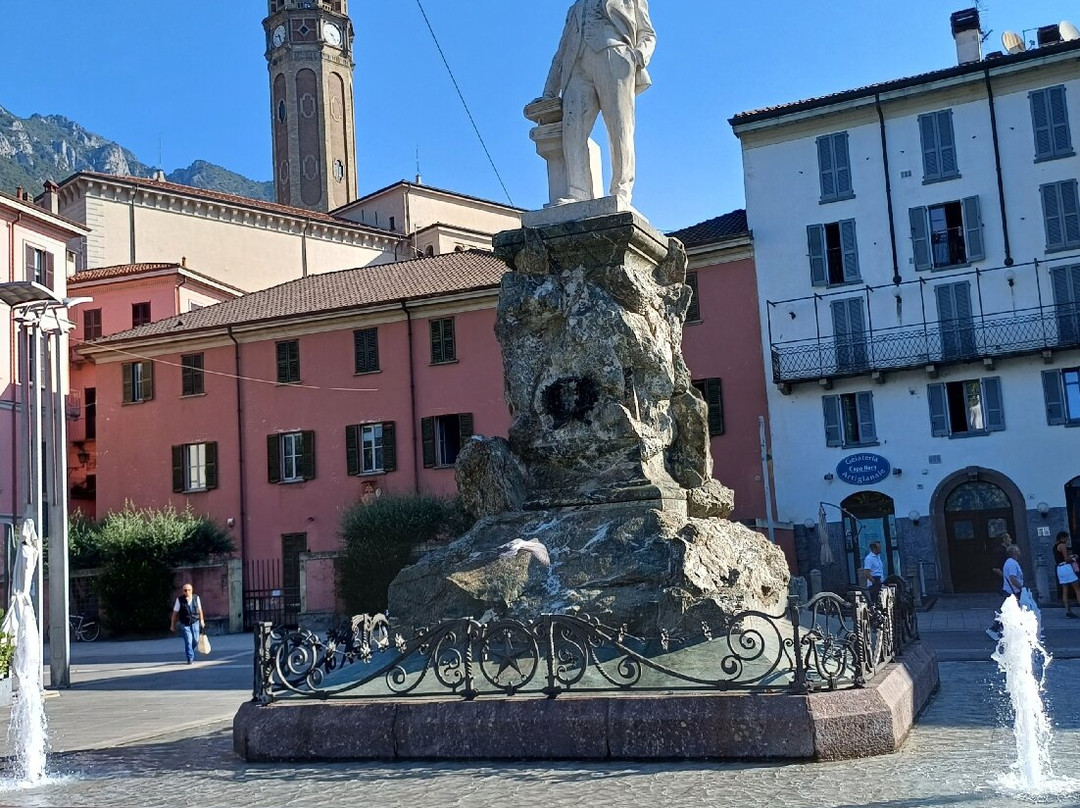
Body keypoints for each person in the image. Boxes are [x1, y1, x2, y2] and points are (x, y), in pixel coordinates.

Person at [541, 0, 656, 205]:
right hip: (576, 65)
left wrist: (638, 56)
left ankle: (621, 189)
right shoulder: (575, 8)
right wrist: (549, 91)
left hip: (614, 55)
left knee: (620, 126)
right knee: (573, 128)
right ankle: (578, 191)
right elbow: (561, 51)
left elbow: (647, 33)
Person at [987, 545, 1024, 642]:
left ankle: (1004, 629)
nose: (1020, 553)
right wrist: (1021, 588)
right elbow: (1012, 578)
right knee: (1007, 613)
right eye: (1018, 551)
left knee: (1009, 612)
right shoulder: (1012, 563)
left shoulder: (1010, 562)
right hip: (1012, 592)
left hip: (1010, 591)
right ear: (1014, 553)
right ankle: (994, 629)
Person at [170, 583, 205, 664]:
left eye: (189, 590)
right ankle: (190, 657)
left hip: (195, 622)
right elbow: (175, 613)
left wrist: (202, 620)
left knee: (196, 640)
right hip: (185, 623)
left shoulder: (196, 598)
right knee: (188, 640)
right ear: (183, 591)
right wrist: (172, 625)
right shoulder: (179, 600)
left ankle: (190, 650)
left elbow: (200, 610)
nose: (187, 592)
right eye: (185, 590)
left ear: (192, 590)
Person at [1053, 531, 1080, 618]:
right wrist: (1073, 557)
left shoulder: (1054, 546)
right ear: (1062, 538)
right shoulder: (1062, 545)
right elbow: (1066, 559)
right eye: (1066, 538)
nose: (1067, 540)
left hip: (1059, 569)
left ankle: (1068, 611)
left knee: (1065, 590)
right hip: (1066, 567)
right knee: (1077, 588)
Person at [860, 541, 885, 606]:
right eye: (879, 547)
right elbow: (866, 572)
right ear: (874, 549)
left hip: (880, 582)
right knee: (875, 602)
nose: (880, 549)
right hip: (874, 584)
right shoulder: (869, 559)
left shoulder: (878, 557)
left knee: (881, 602)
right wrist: (874, 582)